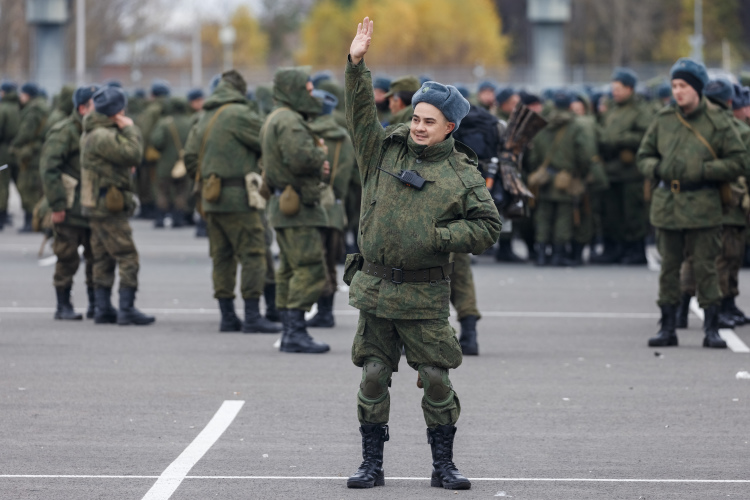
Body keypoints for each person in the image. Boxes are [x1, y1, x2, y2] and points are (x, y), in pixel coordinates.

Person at [344, 18, 501, 490]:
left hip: (423, 295)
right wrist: (356, 65)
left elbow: (488, 225)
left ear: (449, 126)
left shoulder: (462, 172)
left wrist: (441, 236)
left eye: (428, 121)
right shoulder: (383, 151)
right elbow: (358, 115)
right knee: (373, 375)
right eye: (415, 117)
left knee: (435, 378)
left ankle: (443, 465)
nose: (417, 126)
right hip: (375, 287)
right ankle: (372, 463)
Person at [638, 58, 746, 349]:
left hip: (703, 202)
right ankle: (668, 326)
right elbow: (644, 155)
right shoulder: (663, 119)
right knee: (669, 268)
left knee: (706, 266)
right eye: (674, 85)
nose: (677, 91)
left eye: (683, 85)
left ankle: (711, 328)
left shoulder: (718, 121)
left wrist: (706, 171)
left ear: (697, 88)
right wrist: (656, 169)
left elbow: (739, 160)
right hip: (668, 203)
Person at [183, 70, 281, 335]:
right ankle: (252, 316)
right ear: (240, 90)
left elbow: (190, 157)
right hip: (240, 200)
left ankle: (227, 317)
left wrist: (210, 178)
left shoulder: (203, 116)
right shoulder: (240, 114)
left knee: (222, 257)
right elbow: (267, 141)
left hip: (211, 198)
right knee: (253, 254)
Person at [261, 67, 331, 354]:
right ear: (293, 90)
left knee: (290, 268)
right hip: (298, 206)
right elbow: (300, 158)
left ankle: (291, 328)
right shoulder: (289, 120)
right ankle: (295, 330)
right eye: (307, 89)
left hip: (284, 204)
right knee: (310, 267)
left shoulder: (277, 117)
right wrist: (320, 155)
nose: (311, 94)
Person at [676, 78, 750, 329]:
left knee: (692, 256)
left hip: (691, 200)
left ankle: (681, 308)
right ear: (730, 102)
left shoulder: (690, 124)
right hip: (727, 202)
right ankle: (718, 308)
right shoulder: (736, 130)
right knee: (725, 256)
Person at [80, 86, 155, 326]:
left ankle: (103, 308)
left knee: (102, 256)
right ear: (116, 110)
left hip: (97, 203)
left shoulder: (94, 131)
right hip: (107, 206)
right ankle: (126, 308)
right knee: (127, 255)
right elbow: (133, 154)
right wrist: (131, 129)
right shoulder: (102, 134)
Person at [40, 85, 99, 321]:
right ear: (82, 108)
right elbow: (49, 169)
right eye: (96, 105)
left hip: (93, 205)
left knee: (97, 257)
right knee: (66, 256)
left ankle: (97, 304)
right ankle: (63, 305)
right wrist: (57, 205)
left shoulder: (98, 130)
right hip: (70, 206)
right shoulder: (64, 132)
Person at [305, 89, 356, 329]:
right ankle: (326, 311)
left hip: (308, 205)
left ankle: (309, 311)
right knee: (329, 260)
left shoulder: (304, 132)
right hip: (334, 206)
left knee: (309, 259)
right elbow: (347, 177)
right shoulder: (343, 137)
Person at [527, 90, 595, 266]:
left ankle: (541, 255)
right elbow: (584, 154)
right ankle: (558, 255)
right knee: (563, 218)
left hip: (544, 179)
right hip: (566, 179)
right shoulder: (576, 126)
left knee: (543, 216)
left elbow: (533, 156)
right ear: (570, 105)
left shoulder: (542, 125)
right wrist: (579, 171)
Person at [593, 68, 653, 265]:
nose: (615, 92)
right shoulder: (610, 108)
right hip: (611, 170)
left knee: (632, 213)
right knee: (611, 214)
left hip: (630, 172)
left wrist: (621, 140)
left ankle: (636, 250)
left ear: (630, 89)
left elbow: (646, 135)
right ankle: (614, 249)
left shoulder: (640, 110)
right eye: (613, 88)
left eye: (619, 88)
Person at [10, 82, 49, 232]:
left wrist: (15, 145)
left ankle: (31, 222)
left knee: (27, 187)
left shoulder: (32, 111)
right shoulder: (43, 107)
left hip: (31, 153)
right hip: (39, 152)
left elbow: (26, 132)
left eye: (23, 94)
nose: (20, 97)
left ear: (28, 95)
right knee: (37, 188)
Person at [150, 97, 192, 228]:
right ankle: (178, 218)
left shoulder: (164, 123)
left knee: (163, 192)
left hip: (165, 164)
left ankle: (160, 219)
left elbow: (156, 141)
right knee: (181, 191)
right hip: (183, 164)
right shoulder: (189, 123)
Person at [0, 81, 20, 231]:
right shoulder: (21, 107)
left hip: (4, 151)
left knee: (2, 184)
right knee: (22, 184)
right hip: (19, 150)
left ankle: (2, 216)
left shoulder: (3, 109)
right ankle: (29, 216)